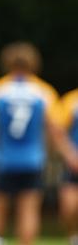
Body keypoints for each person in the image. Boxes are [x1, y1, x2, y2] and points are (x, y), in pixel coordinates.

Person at [0, 42, 71, 245]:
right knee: (29, 211)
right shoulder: (43, 91)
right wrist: (65, 155)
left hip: (3, 159)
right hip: (32, 160)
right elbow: (56, 129)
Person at [58, 87, 78, 245]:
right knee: (68, 207)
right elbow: (58, 131)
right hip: (74, 162)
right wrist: (70, 155)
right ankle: (73, 237)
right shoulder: (72, 100)